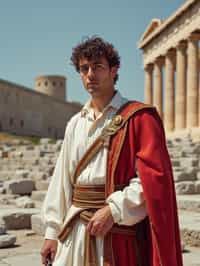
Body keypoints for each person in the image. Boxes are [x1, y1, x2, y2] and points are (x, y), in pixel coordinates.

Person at [41, 36, 183, 266]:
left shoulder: (140, 118)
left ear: (114, 70)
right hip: (75, 234)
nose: (90, 75)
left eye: (98, 67)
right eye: (84, 68)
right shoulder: (75, 123)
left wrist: (114, 210)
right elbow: (62, 182)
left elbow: (154, 180)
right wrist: (51, 232)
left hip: (117, 234)